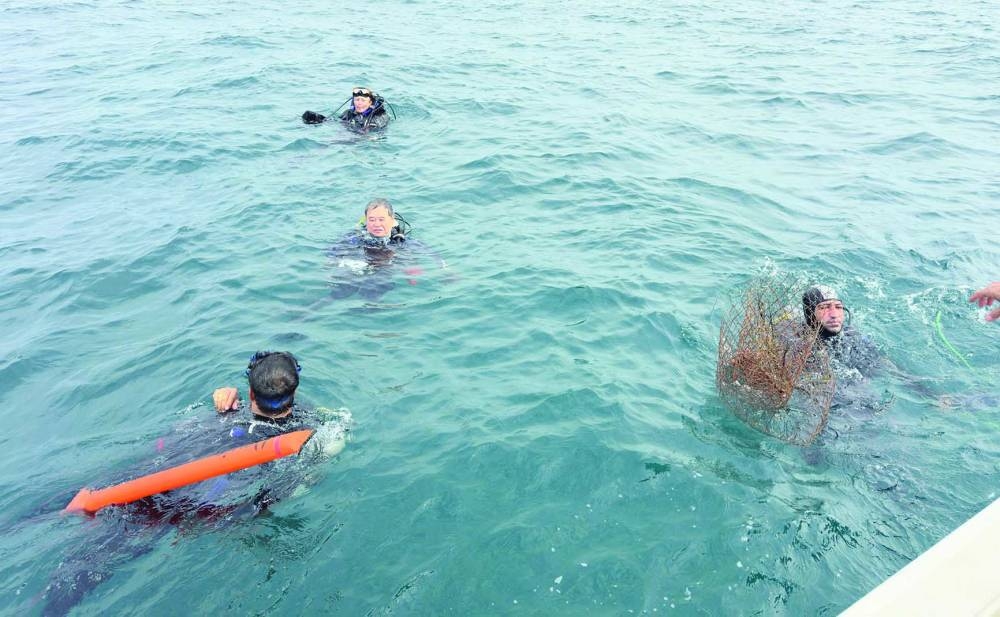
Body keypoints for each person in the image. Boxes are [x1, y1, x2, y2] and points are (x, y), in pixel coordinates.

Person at [800, 285, 881, 377]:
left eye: (838, 307)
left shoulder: (853, 336)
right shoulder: (799, 342)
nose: (834, 315)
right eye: (824, 307)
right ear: (810, 313)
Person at [301, 86, 391, 132]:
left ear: (370, 102)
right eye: (356, 100)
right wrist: (319, 119)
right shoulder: (348, 113)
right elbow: (336, 121)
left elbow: (372, 131)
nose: (359, 103)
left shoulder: (380, 116)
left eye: (363, 100)